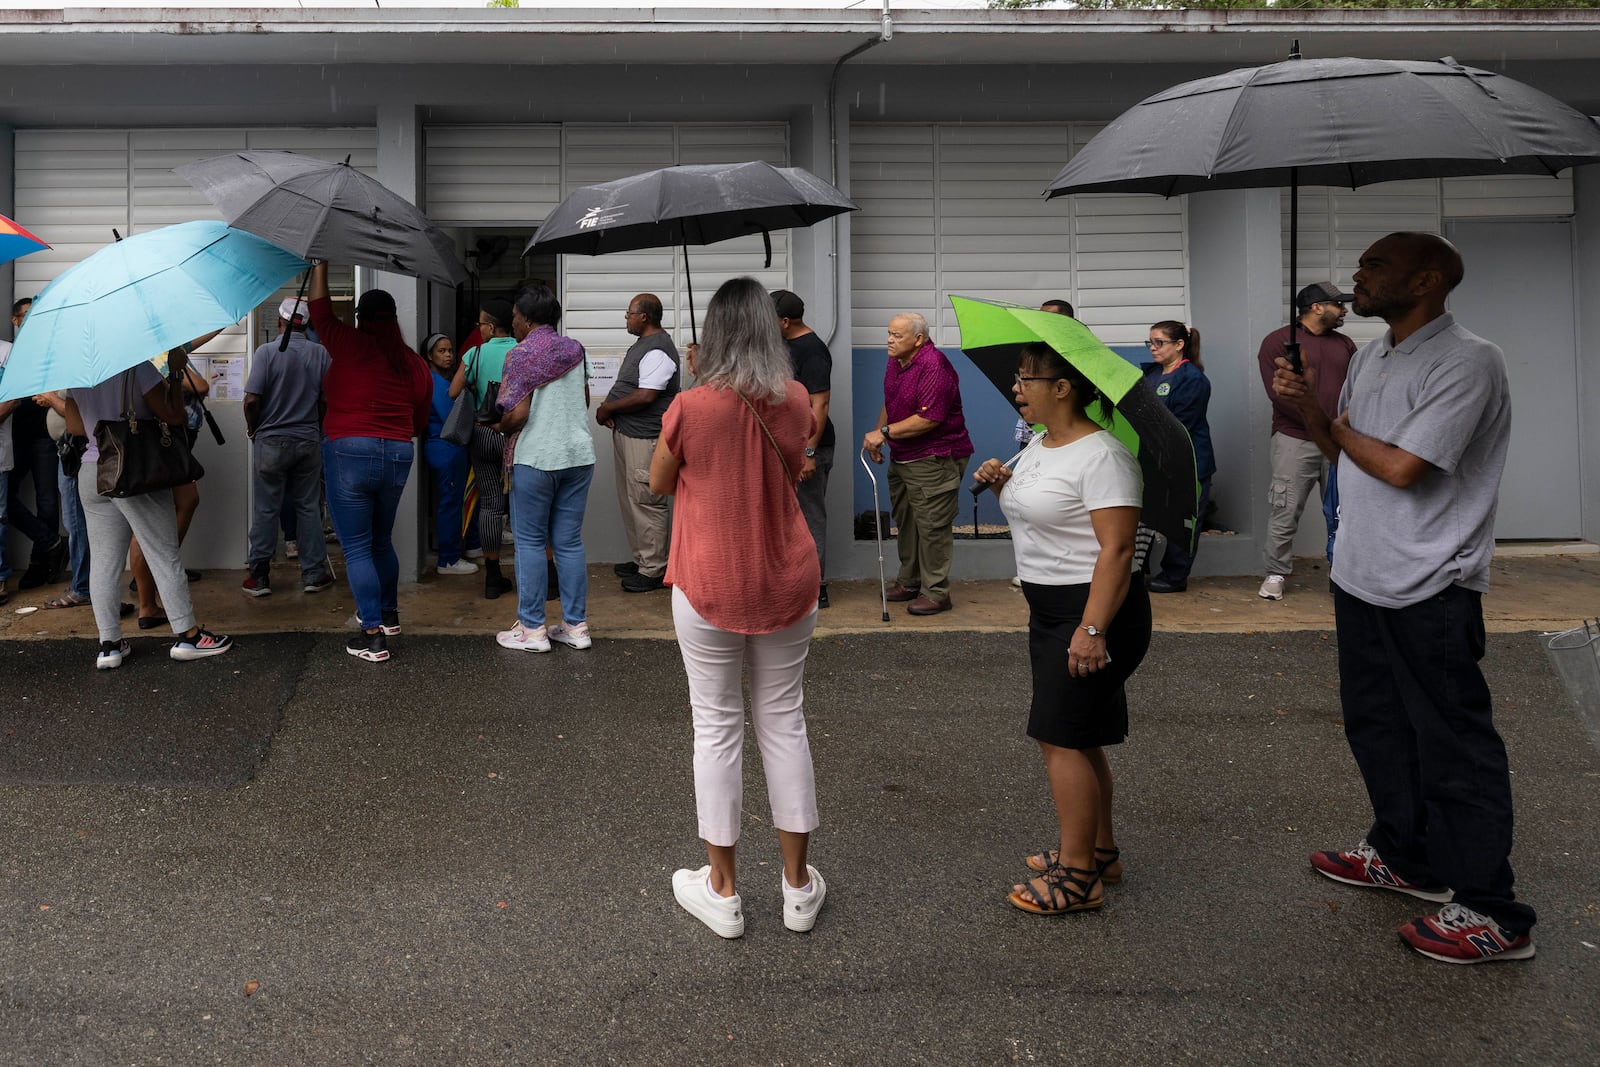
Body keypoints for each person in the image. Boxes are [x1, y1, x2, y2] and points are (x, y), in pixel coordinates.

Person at [1273, 231, 1534, 964]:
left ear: (1426, 280)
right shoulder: (1375, 354)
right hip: (1361, 573)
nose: (1357, 274)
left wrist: (1340, 431)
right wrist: (1310, 410)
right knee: (1379, 725)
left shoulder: (1470, 360)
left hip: (1430, 582)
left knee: (1453, 743)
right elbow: (1342, 449)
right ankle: (1408, 855)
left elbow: (1401, 467)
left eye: (1374, 264)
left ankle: (1492, 907)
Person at [649, 276, 825, 939]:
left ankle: (721, 889)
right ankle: (799, 887)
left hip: (708, 581)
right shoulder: (797, 398)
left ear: (713, 338)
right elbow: (795, 457)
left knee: (716, 725)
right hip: (788, 577)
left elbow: (661, 481)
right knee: (784, 720)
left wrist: (696, 387)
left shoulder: (692, 405)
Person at [973, 340, 1150, 915]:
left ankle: (1078, 880)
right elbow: (1045, 525)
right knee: (1079, 733)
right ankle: (1099, 852)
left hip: (1092, 609)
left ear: (1063, 388)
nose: (1016, 388)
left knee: (1060, 738)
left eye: (1026, 379)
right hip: (1050, 608)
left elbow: (1118, 550)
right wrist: (1004, 488)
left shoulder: (1103, 456)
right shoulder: (1040, 446)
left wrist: (1092, 630)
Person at [62, 343, 233, 669]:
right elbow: (173, 414)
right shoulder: (137, 367)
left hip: (92, 470)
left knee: (103, 561)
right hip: (133, 468)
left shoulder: (79, 374)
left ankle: (109, 645)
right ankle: (188, 635)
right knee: (163, 551)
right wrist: (174, 373)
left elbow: (74, 426)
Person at [308, 261, 432, 664]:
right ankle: (390, 615)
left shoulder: (348, 344)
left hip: (348, 450)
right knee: (381, 541)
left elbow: (320, 311)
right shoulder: (414, 363)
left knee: (357, 547)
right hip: (398, 452)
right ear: (395, 319)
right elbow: (418, 421)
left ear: (360, 318)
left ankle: (372, 635)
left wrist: (321, 266)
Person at [494, 284, 594, 653]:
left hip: (536, 456)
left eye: (516, 316)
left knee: (531, 543)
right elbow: (582, 399)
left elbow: (516, 412)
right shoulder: (575, 350)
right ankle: (576, 626)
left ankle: (533, 629)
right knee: (568, 542)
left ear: (529, 319)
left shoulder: (521, 355)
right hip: (578, 455)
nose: (514, 322)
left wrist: (498, 427)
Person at [861, 312, 973, 616]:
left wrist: (882, 433)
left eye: (897, 336)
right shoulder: (896, 361)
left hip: (935, 457)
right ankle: (909, 581)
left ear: (918, 339)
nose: (889, 340)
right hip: (903, 455)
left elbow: (928, 418)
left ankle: (937, 593)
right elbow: (891, 399)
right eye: (889, 333)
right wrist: (878, 434)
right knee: (907, 521)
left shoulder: (934, 365)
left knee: (933, 525)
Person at [1256, 282, 1357, 601]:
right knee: (1285, 509)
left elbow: (1355, 390)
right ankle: (1275, 572)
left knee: (1344, 511)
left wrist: (1341, 426)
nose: (1344, 310)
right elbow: (1280, 395)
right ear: (1317, 307)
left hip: (1341, 441)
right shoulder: (1279, 342)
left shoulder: (1345, 344)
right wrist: (1320, 424)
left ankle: (1341, 573)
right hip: (1294, 439)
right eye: (1338, 305)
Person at [241, 297, 334, 597]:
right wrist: (316, 426)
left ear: (279, 322)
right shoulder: (321, 354)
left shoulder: (267, 352)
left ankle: (260, 576)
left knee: (267, 508)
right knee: (308, 506)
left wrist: (253, 427)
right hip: (308, 439)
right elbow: (325, 400)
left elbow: (251, 399)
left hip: (271, 441)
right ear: (306, 324)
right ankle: (313, 574)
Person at [595, 293, 678, 594]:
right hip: (630, 434)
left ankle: (654, 569)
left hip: (646, 439)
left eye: (629, 313)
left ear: (644, 316)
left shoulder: (658, 349)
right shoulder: (643, 345)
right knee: (632, 499)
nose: (626, 318)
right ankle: (643, 558)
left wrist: (609, 409)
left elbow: (646, 395)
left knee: (646, 502)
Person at [1140, 321, 1214, 593]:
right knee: (1146, 515)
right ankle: (1139, 569)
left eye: (1159, 342)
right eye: (1150, 342)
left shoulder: (1193, 379)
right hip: (1154, 459)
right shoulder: (1152, 375)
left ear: (1179, 344)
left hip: (1188, 462)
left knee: (1184, 521)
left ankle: (1175, 575)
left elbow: (1179, 425)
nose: (1153, 349)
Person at [451, 298, 516, 599]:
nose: (479, 328)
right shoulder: (522, 351)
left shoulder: (475, 353)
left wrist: (476, 385)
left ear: (491, 326)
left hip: (482, 434)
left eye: (480, 324)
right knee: (522, 502)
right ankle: (540, 573)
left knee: (490, 502)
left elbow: (453, 390)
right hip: (514, 434)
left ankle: (492, 577)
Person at [772, 289, 833, 609]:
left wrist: (809, 453)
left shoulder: (812, 350)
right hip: (785, 445)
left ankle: (816, 586)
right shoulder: (784, 344)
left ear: (784, 321)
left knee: (810, 516)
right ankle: (790, 581)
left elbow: (820, 404)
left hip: (810, 449)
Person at [5, 297, 67, 592]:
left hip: (45, 434)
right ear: (15, 321)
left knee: (47, 500)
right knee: (5, 497)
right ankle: (51, 542)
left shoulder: (51, 349)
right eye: (26, 315)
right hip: (15, 434)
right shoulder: (9, 353)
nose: (32, 320)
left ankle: (40, 563)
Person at [420, 332, 477, 578]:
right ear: (429, 356)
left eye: (450, 350)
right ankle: (448, 559)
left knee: (454, 502)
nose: (448, 355)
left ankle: (465, 548)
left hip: (449, 449)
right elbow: (451, 419)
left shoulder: (442, 380)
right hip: (446, 448)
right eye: (441, 351)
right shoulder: (436, 383)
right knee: (450, 504)